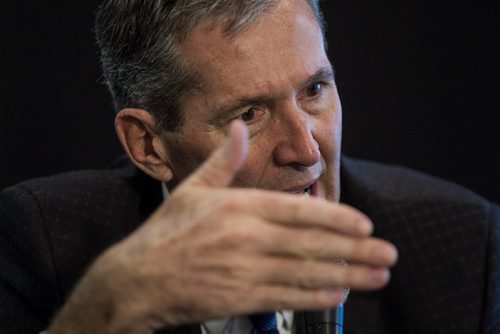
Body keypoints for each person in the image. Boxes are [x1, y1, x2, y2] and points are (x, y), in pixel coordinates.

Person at [0, 0, 497, 333]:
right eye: (249, 114)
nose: (305, 150)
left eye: (314, 91)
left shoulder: (463, 245)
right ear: (149, 144)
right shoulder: (45, 242)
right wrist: (101, 317)